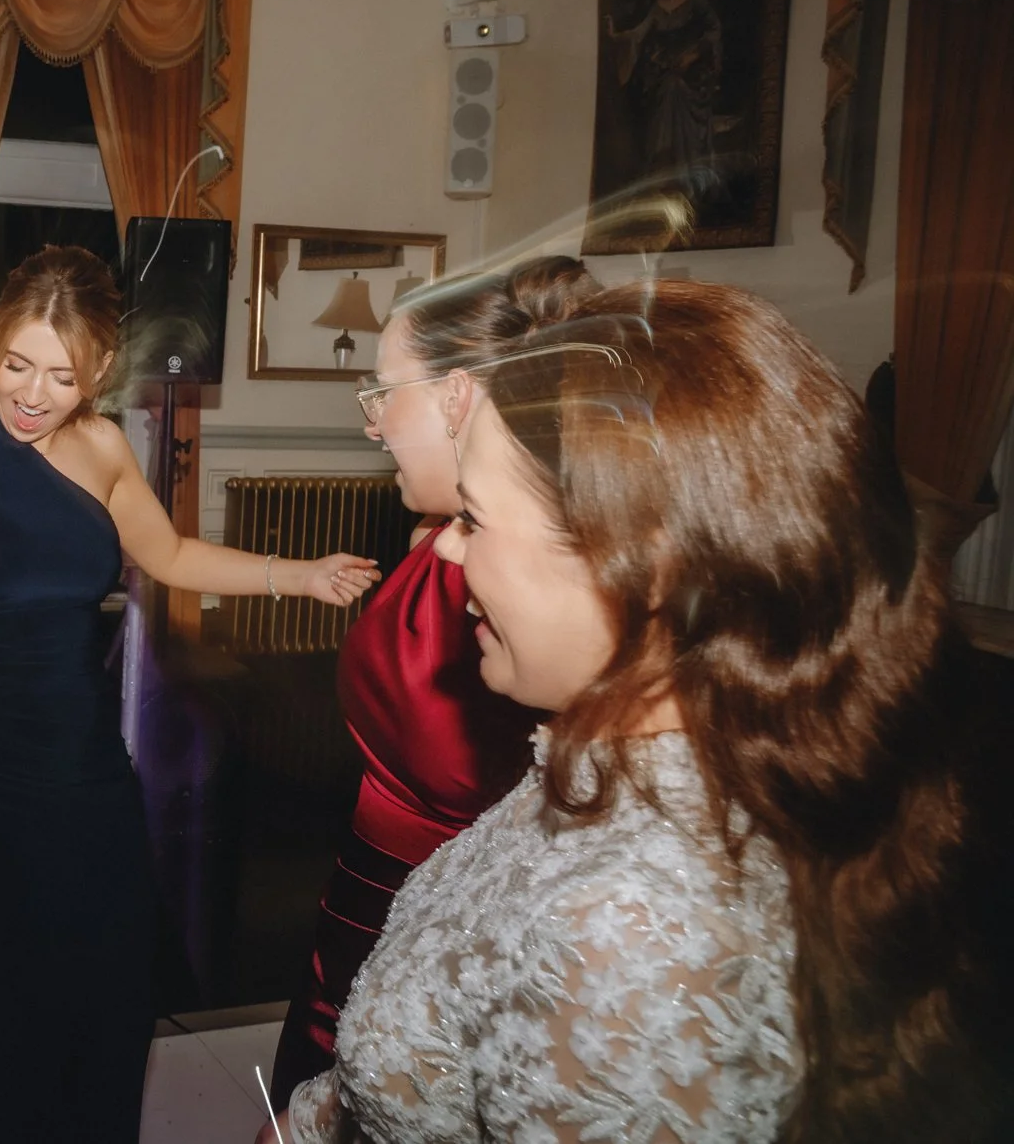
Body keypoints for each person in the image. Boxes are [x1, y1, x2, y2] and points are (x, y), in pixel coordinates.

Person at [274, 281, 1012, 1142]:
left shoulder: (632, 933)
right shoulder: (609, 753)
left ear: (642, 567)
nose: (446, 544)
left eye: (475, 518)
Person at [0, 246, 382, 1142]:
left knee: (98, 1019)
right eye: (16, 363)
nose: (31, 392)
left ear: (99, 371)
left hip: (84, 787)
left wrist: (296, 572)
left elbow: (167, 556)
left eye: (60, 373)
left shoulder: (102, 445)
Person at [267, 256, 598, 1106]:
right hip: (369, 882)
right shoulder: (434, 538)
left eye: (385, 392)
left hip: (436, 912)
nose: (373, 424)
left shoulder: (524, 598)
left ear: (459, 394)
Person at [604, 0, 723, 208]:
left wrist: (693, 55)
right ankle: (663, 176)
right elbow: (638, 33)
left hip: (692, 71)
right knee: (666, 90)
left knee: (674, 89)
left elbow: (714, 30)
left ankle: (685, 179)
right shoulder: (659, 6)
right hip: (668, 72)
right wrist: (615, 36)